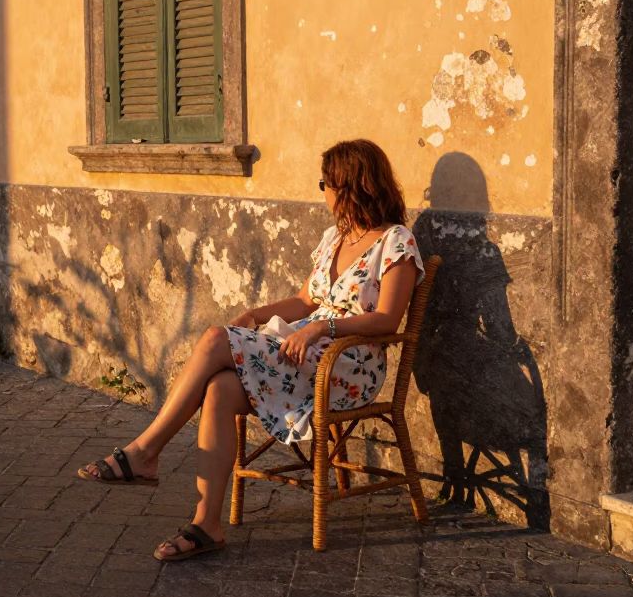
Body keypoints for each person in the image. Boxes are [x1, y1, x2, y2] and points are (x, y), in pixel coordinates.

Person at [78, 139, 425, 561]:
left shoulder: (396, 242)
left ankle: (145, 452)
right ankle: (206, 524)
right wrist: (255, 314)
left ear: (351, 185)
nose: (324, 192)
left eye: (326, 183)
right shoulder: (336, 238)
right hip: (305, 352)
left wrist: (323, 327)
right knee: (220, 390)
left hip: (349, 365)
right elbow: (305, 299)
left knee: (213, 338)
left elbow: (388, 320)